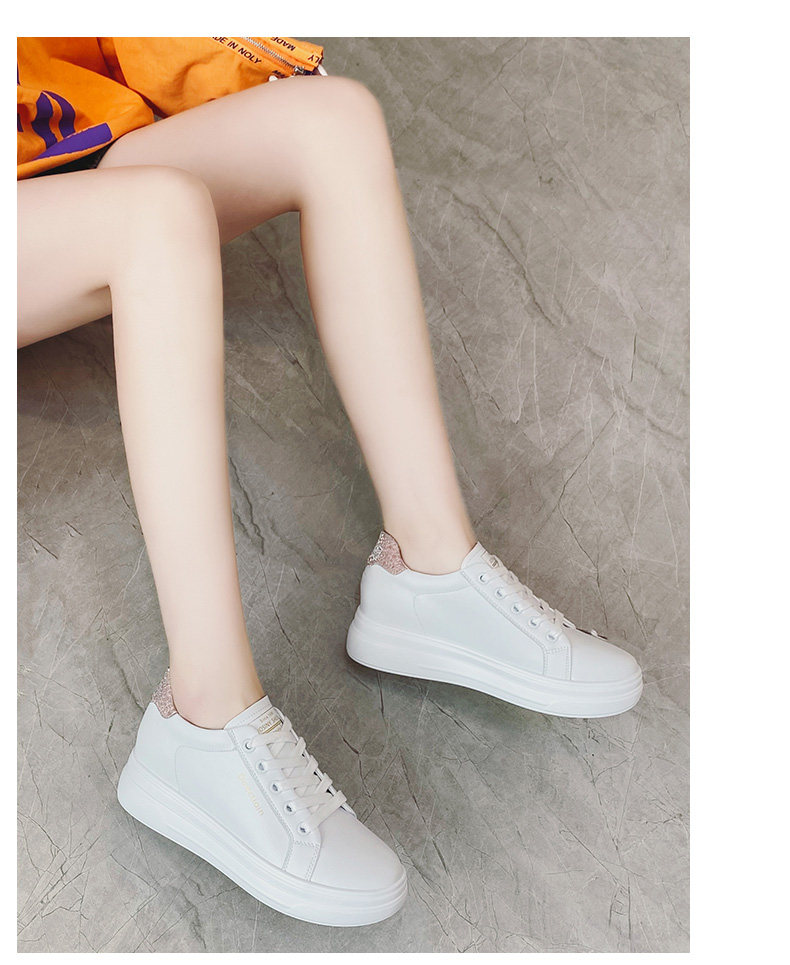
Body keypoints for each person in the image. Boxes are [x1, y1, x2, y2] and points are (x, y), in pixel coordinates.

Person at [17, 37, 643, 927]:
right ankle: (201, 717)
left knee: (333, 121)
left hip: (63, 141)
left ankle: (429, 569)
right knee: (156, 216)